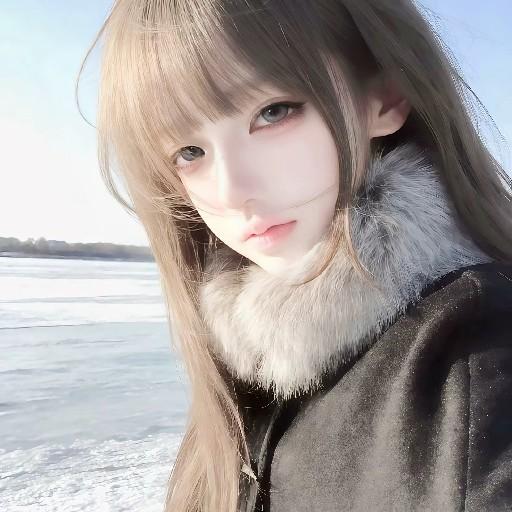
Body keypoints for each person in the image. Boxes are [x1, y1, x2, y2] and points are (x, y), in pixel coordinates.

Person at [79, 1, 512, 510]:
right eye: (189, 152)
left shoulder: (475, 361)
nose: (231, 190)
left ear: (383, 96)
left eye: (273, 112)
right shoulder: (244, 363)